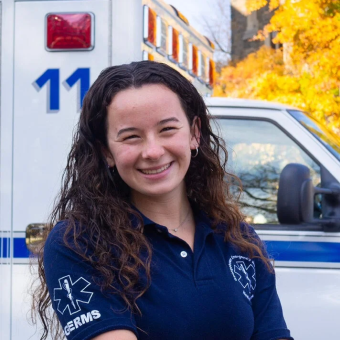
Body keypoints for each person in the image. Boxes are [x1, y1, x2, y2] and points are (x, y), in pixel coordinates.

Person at [32, 61, 293, 340]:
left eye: (167, 129)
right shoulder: (78, 243)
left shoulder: (240, 240)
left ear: (194, 133)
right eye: (131, 137)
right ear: (106, 152)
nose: (153, 151)